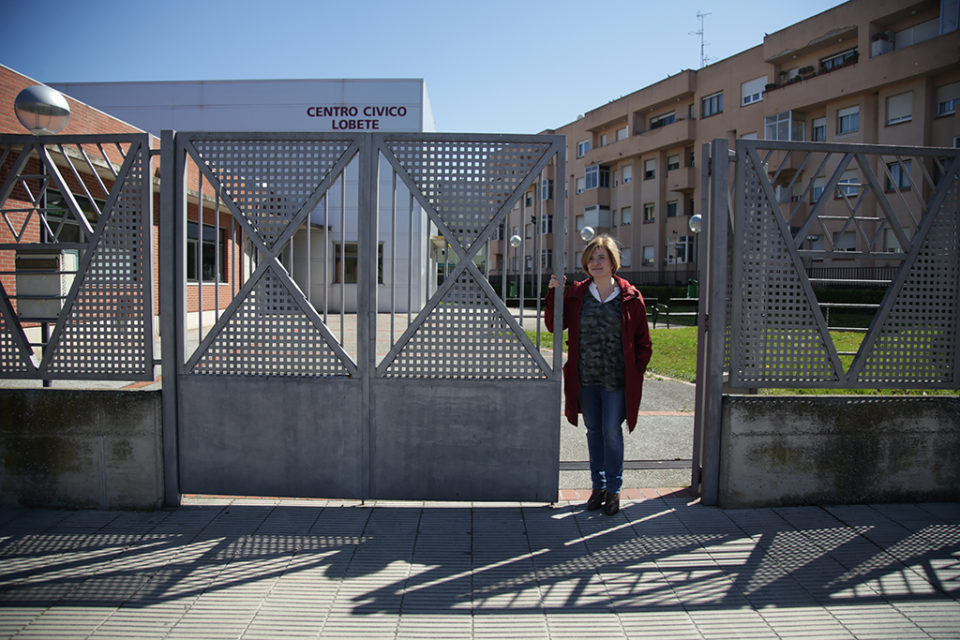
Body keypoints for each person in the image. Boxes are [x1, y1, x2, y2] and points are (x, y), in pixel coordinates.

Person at [545, 235, 652, 515]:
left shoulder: (630, 296)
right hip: (586, 377)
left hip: (616, 380)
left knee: (611, 432)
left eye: (601, 257)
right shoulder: (577, 293)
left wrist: (637, 370)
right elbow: (555, 325)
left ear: (613, 261)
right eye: (591, 258)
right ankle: (599, 486)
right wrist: (554, 294)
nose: (596, 263)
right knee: (594, 432)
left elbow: (644, 341)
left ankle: (614, 489)